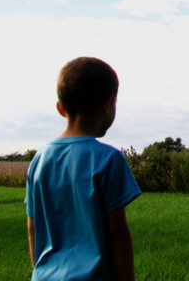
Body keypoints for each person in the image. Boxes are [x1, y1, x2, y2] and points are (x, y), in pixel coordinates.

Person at [25, 57, 141, 281]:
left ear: (60, 108)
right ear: (107, 104)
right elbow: (117, 233)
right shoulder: (110, 159)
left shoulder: (39, 159)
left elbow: (33, 228)